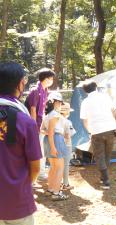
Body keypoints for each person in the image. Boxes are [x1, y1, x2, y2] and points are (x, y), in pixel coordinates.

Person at [0, 62, 42, 224]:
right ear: (20, 84)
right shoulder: (25, 122)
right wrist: (22, 185)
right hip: (17, 201)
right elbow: (35, 167)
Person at [80, 81, 116, 190]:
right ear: (96, 87)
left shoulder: (85, 102)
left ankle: (105, 180)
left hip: (96, 131)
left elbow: (85, 120)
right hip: (110, 128)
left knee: (99, 155)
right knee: (107, 154)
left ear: (85, 91)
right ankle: (104, 177)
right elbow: (113, 111)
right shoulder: (105, 97)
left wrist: (89, 131)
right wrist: (111, 121)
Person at [25, 68, 56, 181]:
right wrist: (34, 127)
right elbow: (33, 109)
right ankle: (37, 175)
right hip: (35, 126)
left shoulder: (45, 90)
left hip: (41, 124)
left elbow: (43, 110)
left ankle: (41, 173)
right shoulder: (35, 90)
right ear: (44, 78)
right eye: (50, 78)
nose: (51, 81)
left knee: (41, 149)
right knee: (37, 151)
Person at [42, 92, 69, 201]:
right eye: (59, 102)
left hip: (48, 140)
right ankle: (56, 193)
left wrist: (50, 137)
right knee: (59, 167)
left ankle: (51, 189)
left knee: (53, 167)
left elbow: (42, 130)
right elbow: (52, 132)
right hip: (55, 140)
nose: (60, 104)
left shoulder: (47, 115)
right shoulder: (55, 115)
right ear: (55, 102)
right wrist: (53, 147)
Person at [60, 103, 76, 190]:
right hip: (66, 144)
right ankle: (65, 184)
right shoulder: (67, 122)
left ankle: (57, 183)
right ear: (66, 112)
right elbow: (70, 133)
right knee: (66, 165)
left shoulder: (55, 119)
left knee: (57, 165)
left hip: (57, 144)